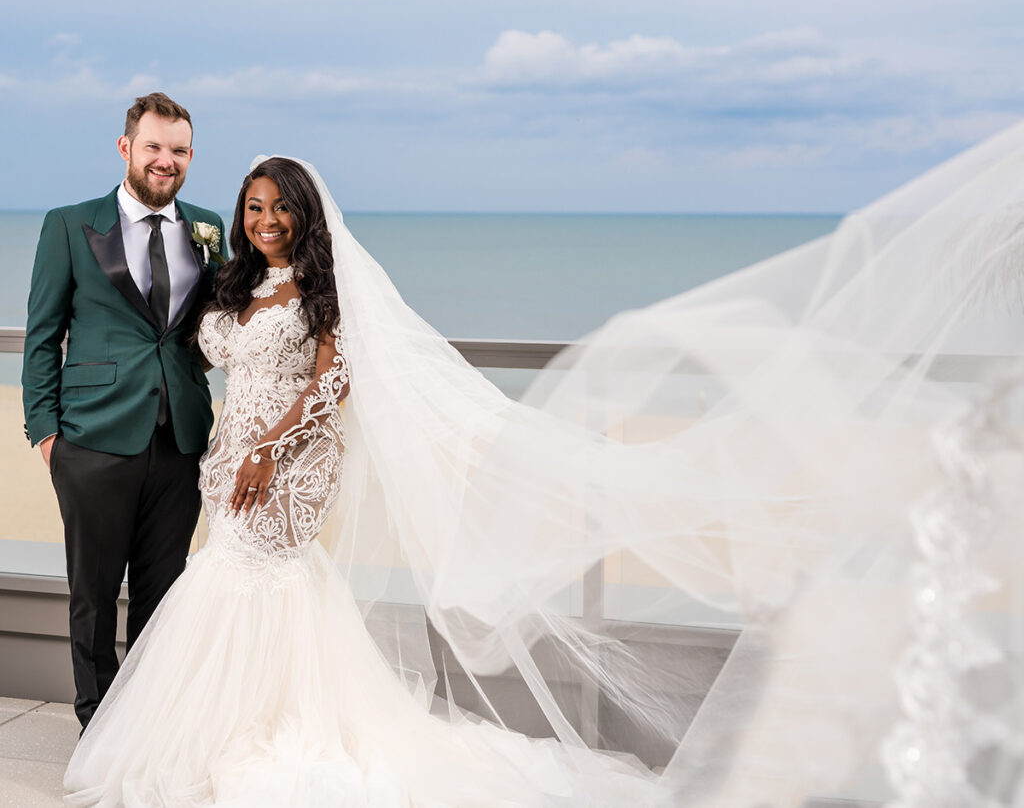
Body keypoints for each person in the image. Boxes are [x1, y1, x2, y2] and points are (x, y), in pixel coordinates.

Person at [66, 127, 1024, 806]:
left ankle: (254, 735)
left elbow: (335, 382)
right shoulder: (233, 277)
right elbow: (204, 347)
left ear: (305, 217)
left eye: (279, 208)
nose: (265, 217)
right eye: (254, 205)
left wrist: (271, 456)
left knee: (260, 584)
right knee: (225, 583)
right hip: (224, 467)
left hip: (281, 472)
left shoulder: (321, 289)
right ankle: (222, 724)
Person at [21, 92, 225, 730]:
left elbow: (216, 328)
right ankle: (97, 727)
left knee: (163, 598)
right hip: (92, 440)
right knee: (94, 594)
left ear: (191, 156)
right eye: (154, 147)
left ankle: (146, 729)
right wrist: (47, 433)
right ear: (126, 148)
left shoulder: (208, 227)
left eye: (180, 150)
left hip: (181, 440)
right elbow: (42, 335)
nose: (166, 160)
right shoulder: (69, 224)